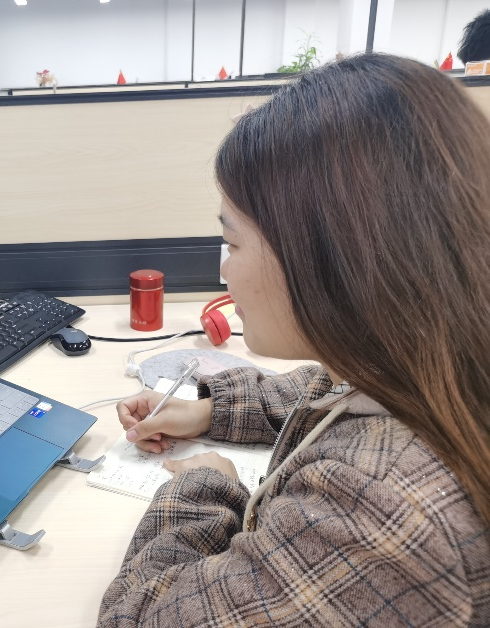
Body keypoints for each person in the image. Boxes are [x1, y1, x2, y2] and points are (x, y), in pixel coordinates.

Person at [98, 54, 489, 626]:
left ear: (331, 260)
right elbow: (332, 389)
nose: (225, 272)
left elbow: (137, 618)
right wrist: (208, 411)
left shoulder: (376, 511)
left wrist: (206, 488)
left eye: (233, 244)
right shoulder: (438, 359)